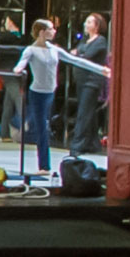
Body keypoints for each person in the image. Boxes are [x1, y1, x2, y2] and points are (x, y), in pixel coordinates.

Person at [16, 17, 109, 174]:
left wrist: (101, 70)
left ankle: (44, 165)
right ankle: (44, 165)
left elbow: (76, 60)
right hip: (37, 94)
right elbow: (20, 64)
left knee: (46, 126)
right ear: (42, 32)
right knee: (41, 129)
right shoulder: (30, 50)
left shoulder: (55, 50)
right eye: (51, 29)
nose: (54, 31)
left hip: (50, 93)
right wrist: (18, 70)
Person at [69, 11, 110, 154]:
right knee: (89, 113)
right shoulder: (84, 41)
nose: (86, 24)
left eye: (89, 22)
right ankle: (92, 144)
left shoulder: (100, 41)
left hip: (91, 82)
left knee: (84, 113)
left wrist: (78, 53)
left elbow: (85, 56)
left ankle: (76, 146)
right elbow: (75, 52)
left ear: (97, 25)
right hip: (81, 81)